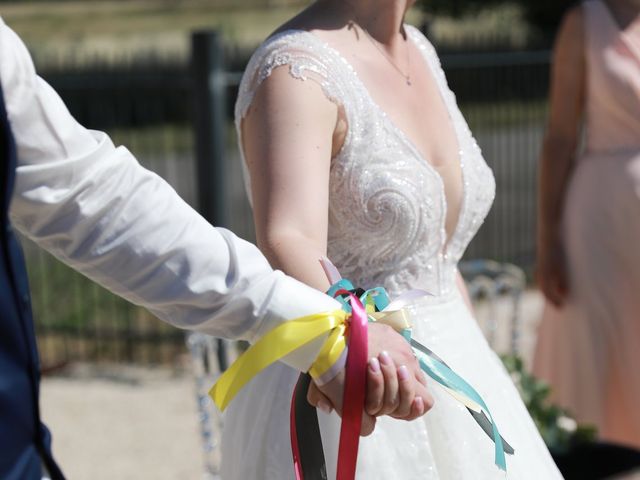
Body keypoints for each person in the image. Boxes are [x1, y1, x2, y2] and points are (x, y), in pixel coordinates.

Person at [0, 17, 433, 480]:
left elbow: (84, 192)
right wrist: (330, 331)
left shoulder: (422, 55)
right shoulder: (297, 67)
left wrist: (323, 336)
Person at [225, 0, 563, 478]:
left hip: (457, 367)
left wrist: (483, 361)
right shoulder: (296, 69)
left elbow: (435, 256)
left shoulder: (418, 48)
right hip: (357, 384)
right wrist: (354, 342)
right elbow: (288, 236)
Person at [534, 0, 640, 450]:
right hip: (599, 223)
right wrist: (546, 243)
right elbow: (560, 137)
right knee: (599, 353)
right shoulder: (584, 22)